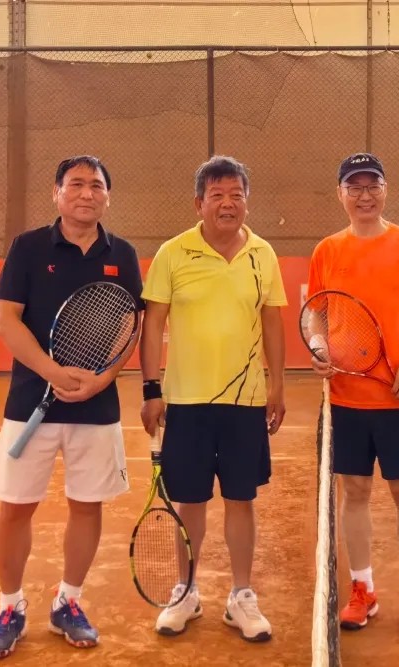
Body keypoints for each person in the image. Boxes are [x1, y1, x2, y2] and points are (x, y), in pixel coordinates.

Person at [0, 155, 145, 659]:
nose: (86, 193)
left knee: (87, 505)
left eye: (96, 185)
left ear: (108, 196)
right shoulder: (28, 247)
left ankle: (68, 601)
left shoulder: (123, 253)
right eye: (75, 184)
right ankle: (9, 608)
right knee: (15, 508)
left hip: (96, 405)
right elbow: (7, 320)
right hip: (30, 400)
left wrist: (104, 378)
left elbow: (130, 322)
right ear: (56, 193)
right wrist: (51, 372)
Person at [138, 155, 287, 642]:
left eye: (236, 195)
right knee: (191, 500)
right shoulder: (172, 253)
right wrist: (152, 389)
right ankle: (185, 592)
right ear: (198, 203)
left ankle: (241, 596)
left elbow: (272, 322)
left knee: (242, 498)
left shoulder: (263, 253)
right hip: (186, 401)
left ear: (247, 202)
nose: (228, 204)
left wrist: (277, 385)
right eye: (217, 195)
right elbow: (153, 324)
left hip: (246, 401)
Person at [307, 152, 399, 638]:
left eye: (373, 186)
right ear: (341, 194)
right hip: (346, 397)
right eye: (355, 187)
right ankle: (362, 589)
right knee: (355, 493)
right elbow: (317, 312)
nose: (364, 195)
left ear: (385, 191)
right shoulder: (327, 250)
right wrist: (319, 345)